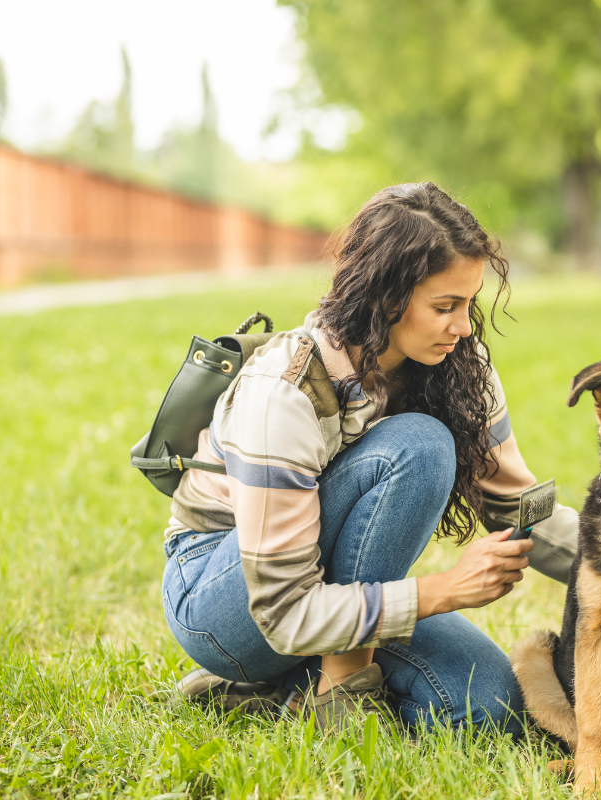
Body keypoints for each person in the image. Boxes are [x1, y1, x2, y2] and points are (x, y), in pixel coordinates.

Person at [161, 183, 578, 736]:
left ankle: (278, 687)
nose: (462, 326)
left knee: (488, 708)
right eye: (444, 306)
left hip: (323, 597)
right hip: (229, 602)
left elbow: (520, 510)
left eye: (469, 303)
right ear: (385, 298)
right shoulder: (284, 392)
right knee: (421, 445)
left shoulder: (460, 364)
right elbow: (283, 611)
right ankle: (334, 685)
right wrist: (444, 590)